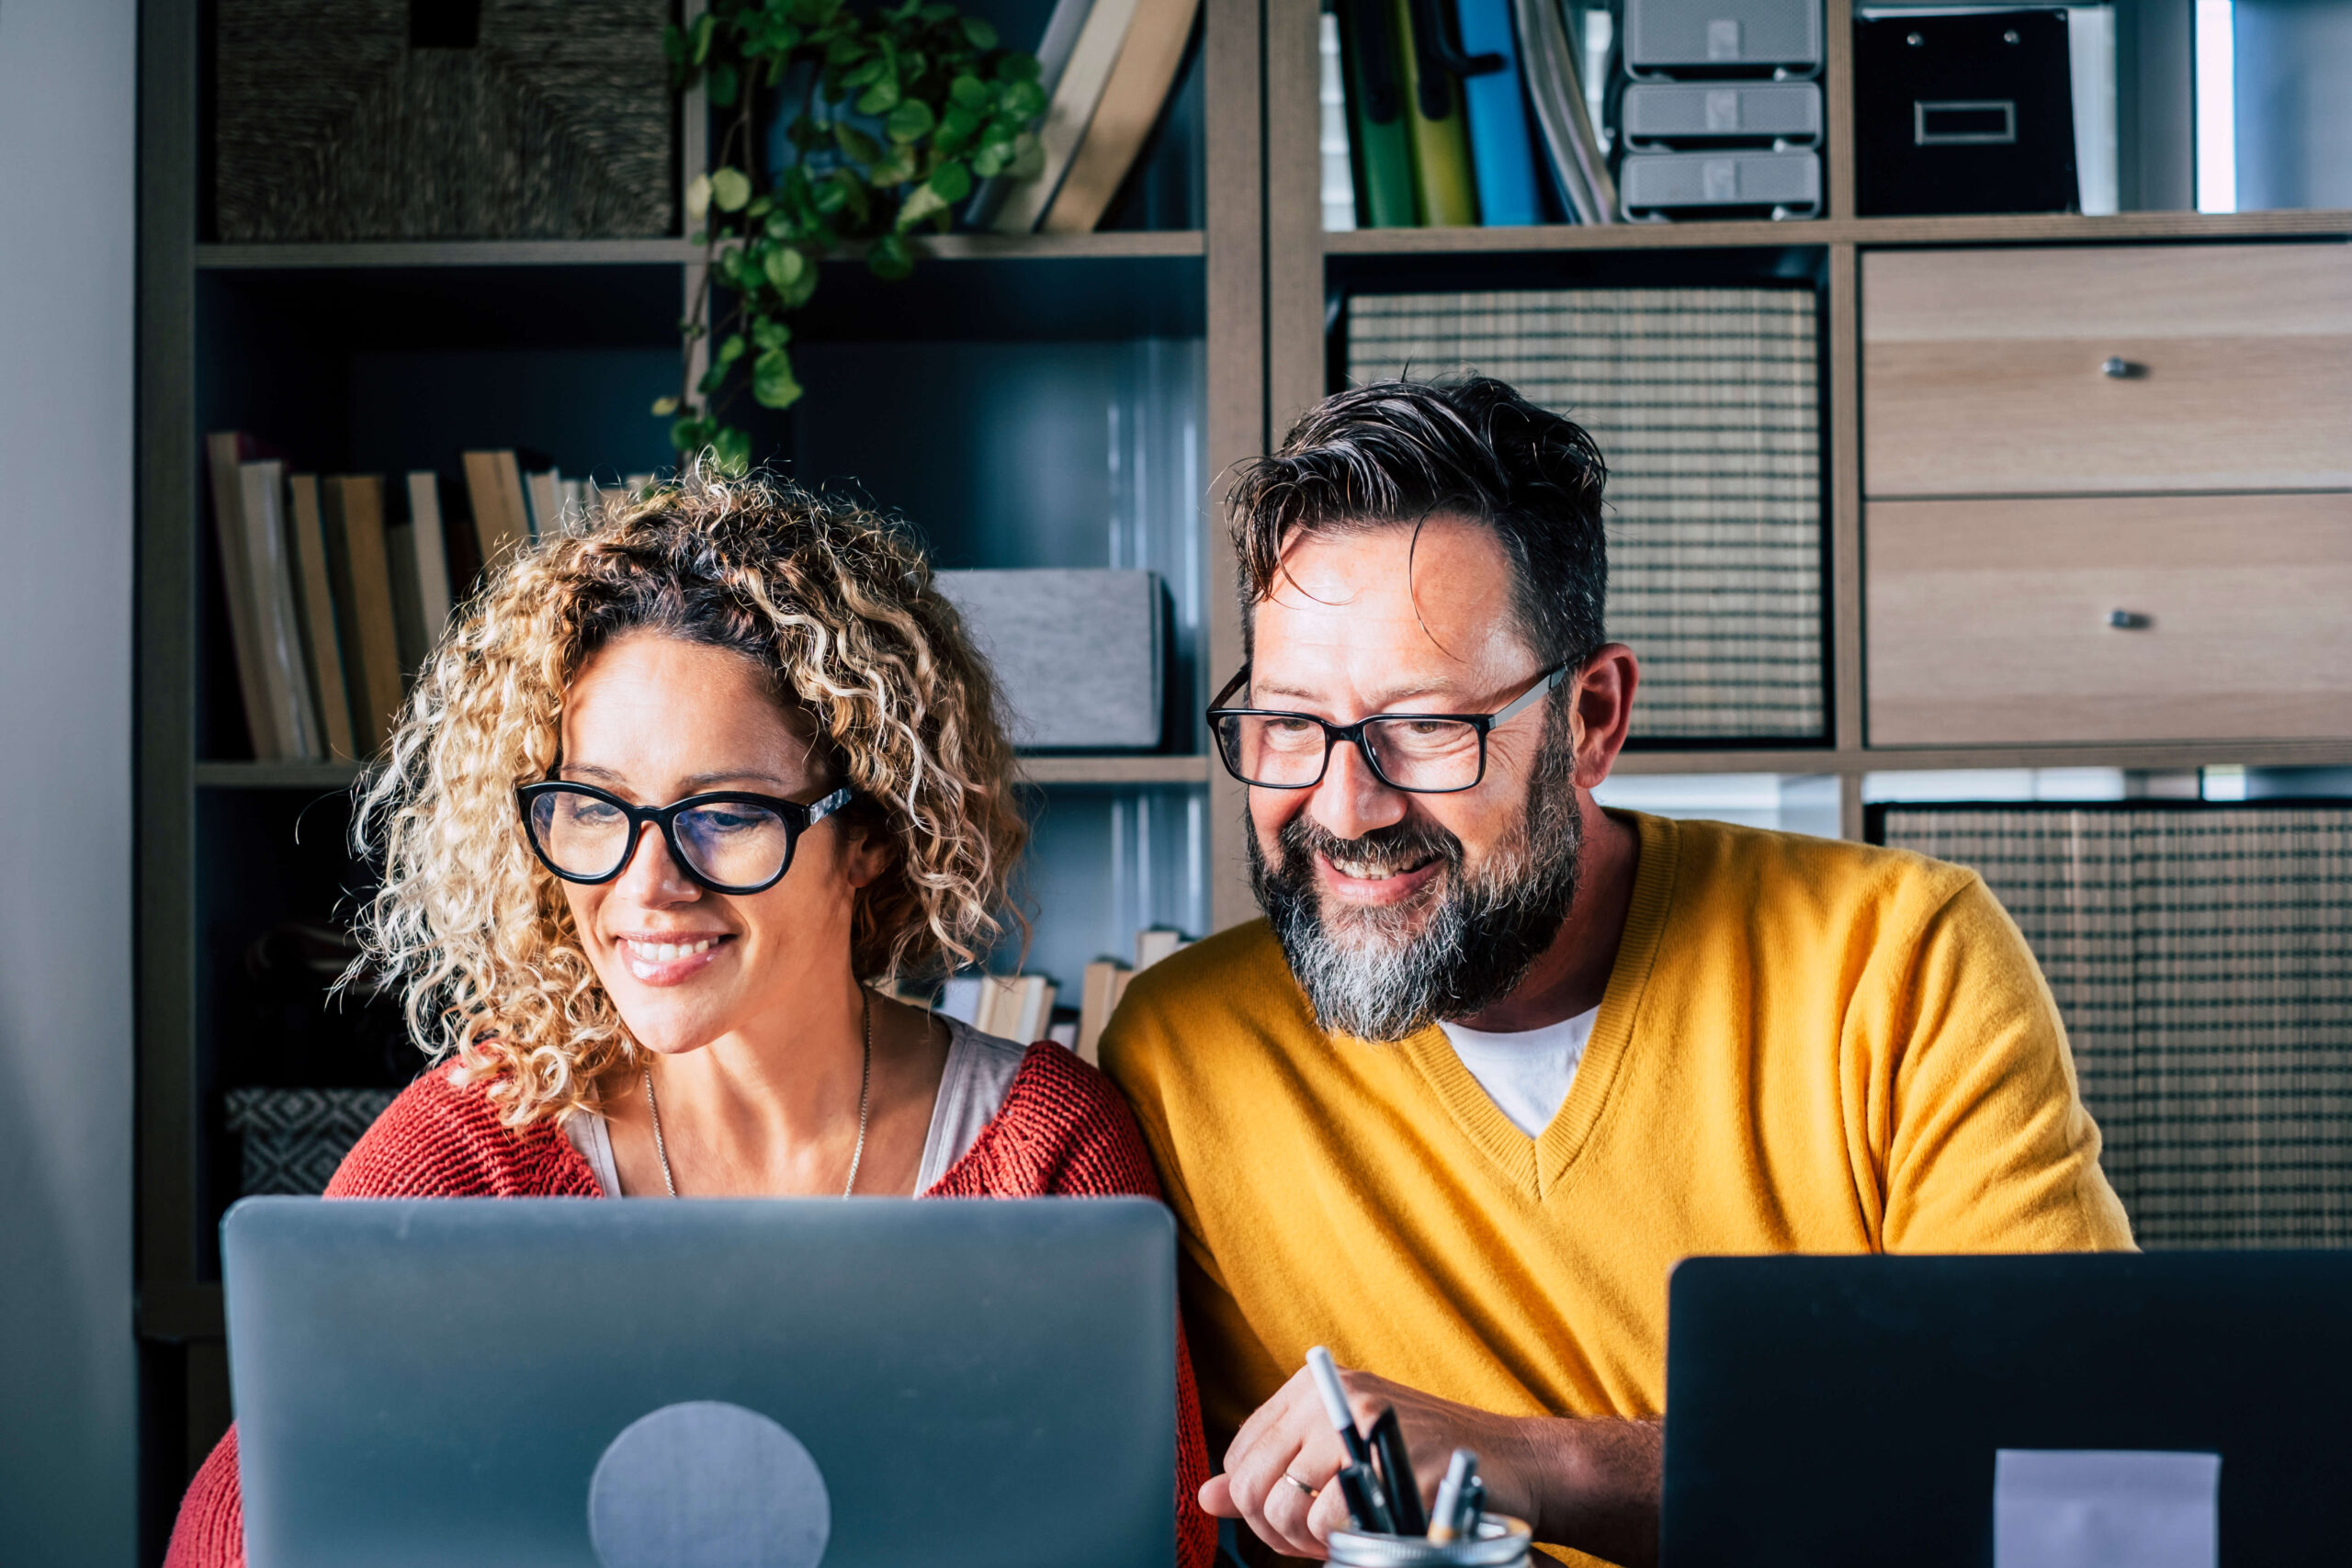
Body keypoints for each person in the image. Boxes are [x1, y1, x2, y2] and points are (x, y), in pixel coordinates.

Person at [1098, 378, 2134, 1568]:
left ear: (1593, 715)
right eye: (1287, 720)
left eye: (1427, 725)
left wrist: (1542, 1466)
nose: (1344, 803)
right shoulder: (1181, 1049)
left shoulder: (1894, 961)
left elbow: (2068, 1455)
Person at [167, 474, 1216, 1568]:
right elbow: (233, 1537)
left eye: (721, 814)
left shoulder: (1044, 1147)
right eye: (593, 807)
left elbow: (1166, 1539)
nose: (647, 884)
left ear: (867, 837)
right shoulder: (477, 1142)